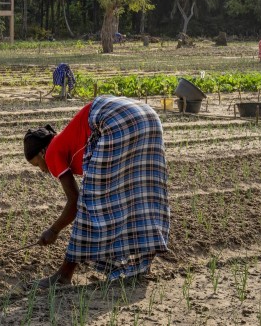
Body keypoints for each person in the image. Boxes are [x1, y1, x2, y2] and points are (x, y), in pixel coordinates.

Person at [24, 96, 170, 287]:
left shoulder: (52, 152)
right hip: (148, 117)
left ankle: (64, 275)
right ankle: (141, 266)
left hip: (114, 119)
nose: (42, 170)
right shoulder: (68, 140)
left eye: (37, 165)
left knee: (91, 203)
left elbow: (75, 202)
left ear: (42, 153)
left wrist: (53, 231)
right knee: (139, 193)